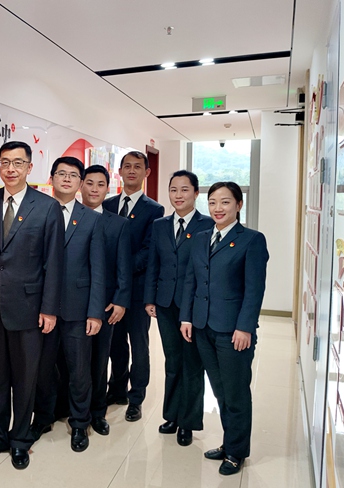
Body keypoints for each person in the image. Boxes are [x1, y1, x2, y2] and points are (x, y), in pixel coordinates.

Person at [0, 141, 64, 469]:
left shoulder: (47, 207)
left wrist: (49, 308)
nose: (11, 169)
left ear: (29, 168)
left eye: (18, 163)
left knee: (24, 377)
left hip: (29, 307)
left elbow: (54, 262)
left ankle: (20, 439)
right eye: (5, 162)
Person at [180, 181, 269, 476]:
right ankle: (229, 442)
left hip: (233, 331)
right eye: (213, 202)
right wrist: (187, 318)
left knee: (236, 393)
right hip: (203, 326)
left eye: (225, 202)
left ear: (239, 205)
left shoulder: (251, 240)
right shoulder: (201, 237)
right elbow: (191, 281)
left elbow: (254, 290)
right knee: (219, 391)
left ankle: (236, 452)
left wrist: (245, 327)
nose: (218, 208)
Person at [30, 157, 105, 452]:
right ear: (51, 178)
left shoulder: (92, 219)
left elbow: (98, 270)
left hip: (78, 308)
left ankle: (79, 423)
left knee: (79, 371)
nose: (66, 179)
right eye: (61, 173)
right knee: (42, 369)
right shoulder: (37, 212)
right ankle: (43, 417)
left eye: (73, 175)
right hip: (41, 308)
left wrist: (95, 313)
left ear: (80, 183)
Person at [144, 170, 214, 447]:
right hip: (165, 303)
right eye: (173, 190)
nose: (178, 195)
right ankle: (171, 416)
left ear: (196, 193)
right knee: (172, 361)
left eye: (185, 190)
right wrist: (150, 298)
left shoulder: (208, 224)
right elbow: (154, 264)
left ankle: (188, 422)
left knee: (192, 364)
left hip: (194, 306)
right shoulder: (160, 225)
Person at [103, 150, 164, 421]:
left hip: (138, 290)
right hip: (112, 291)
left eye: (137, 167)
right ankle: (117, 389)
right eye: (126, 166)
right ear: (119, 171)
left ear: (146, 173)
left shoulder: (154, 210)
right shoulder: (107, 205)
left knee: (139, 345)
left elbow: (149, 250)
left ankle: (136, 396)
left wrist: (120, 267)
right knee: (115, 343)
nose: (131, 171)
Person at [79, 164, 132, 435]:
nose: (94, 189)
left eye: (101, 184)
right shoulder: (68, 217)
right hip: (73, 303)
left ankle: (98, 413)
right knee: (72, 362)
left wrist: (121, 300)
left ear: (108, 189)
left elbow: (124, 265)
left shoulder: (118, 224)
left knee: (100, 361)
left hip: (105, 304)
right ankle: (72, 409)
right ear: (81, 185)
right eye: (89, 183)